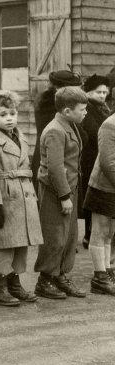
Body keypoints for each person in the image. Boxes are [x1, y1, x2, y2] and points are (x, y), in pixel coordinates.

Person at [0, 90, 42, 307]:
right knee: (3, 244)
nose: (9, 118)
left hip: (23, 196)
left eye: (13, 113)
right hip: (5, 198)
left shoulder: (21, 137)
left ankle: (14, 283)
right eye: (3, 114)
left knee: (20, 243)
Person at [34, 87, 88, 299]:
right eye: (82, 109)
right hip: (55, 192)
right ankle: (45, 279)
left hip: (69, 189)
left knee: (68, 237)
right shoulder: (55, 130)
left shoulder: (69, 125)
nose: (85, 113)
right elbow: (55, 168)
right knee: (54, 237)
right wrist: (64, 196)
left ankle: (59, 275)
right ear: (67, 110)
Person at [31, 70, 83, 186]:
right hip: (56, 156)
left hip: (45, 152)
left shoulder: (45, 100)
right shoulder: (54, 104)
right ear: (63, 88)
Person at [84, 110, 115, 295]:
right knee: (100, 230)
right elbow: (107, 162)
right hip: (103, 186)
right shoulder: (109, 125)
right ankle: (99, 277)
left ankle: (108, 271)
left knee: (111, 231)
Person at [79, 75, 111, 249]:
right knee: (91, 196)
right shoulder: (88, 109)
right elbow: (92, 131)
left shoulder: (103, 108)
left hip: (100, 155)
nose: (102, 95)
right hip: (90, 157)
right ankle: (88, 234)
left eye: (105, 92)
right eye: (98, 92)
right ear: (88, 92)